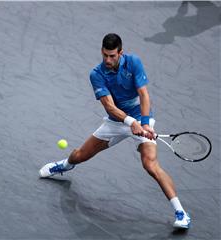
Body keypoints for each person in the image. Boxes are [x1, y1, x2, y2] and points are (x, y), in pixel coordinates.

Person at [39, 33, 191, 229]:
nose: (108, 60)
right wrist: (130, 122)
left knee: (151, 165)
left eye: (112, 56)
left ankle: (181, 213)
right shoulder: (97, 74)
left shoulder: (134, 62)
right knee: (79, 155)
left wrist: (144, 123)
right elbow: (109, 106)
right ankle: (65, 165)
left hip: (140, 118)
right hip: (116, 122)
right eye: (105, 55)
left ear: (121, 52)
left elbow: (143, 94)